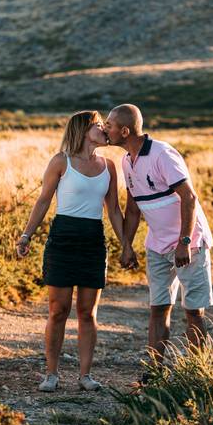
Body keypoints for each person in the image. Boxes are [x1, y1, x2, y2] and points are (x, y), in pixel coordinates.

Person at [16, 110, 129, 392]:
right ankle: (51, 375)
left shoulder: (109, 165)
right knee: (58, 310)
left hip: (93, 240)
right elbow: (43, 201)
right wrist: (26, 235)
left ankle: (85, 376)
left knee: (87, 313)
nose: (104, 129)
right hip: (63, 238)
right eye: (98, 125)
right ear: (83, 129)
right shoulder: (60, 161)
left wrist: (126, 244)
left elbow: (113, 210)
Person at [104, 104, 213, 377]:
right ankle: (153, 373)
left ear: (125, 130)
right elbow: (132, 209)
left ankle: (197, 373)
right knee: (158, 308)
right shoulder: (126, 161)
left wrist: (184, 242)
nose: (105, 129)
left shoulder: (162, 153)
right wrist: (126, 245)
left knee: (193, 311)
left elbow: (189, 198)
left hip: (190, 242)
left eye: (109, 125)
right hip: (156, 245)